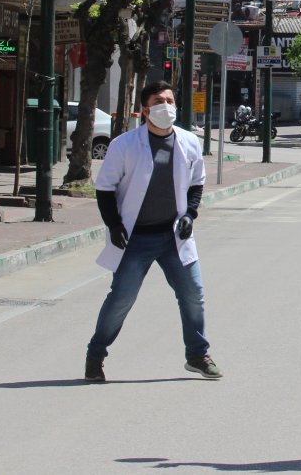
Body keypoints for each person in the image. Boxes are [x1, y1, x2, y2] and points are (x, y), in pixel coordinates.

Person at [84, 80, 221, 382]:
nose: (166, 107)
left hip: (174, 236)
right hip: (136, 238)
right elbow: (105, 188)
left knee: (193, 294)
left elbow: (197, 182)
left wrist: (191, 214)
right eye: (159, 101)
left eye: (170, 101)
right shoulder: (124, 145)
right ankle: (95, 356)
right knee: (121, 299)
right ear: (145, 110)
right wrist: (114, 224)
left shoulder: (188, 142)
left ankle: (197, 354)